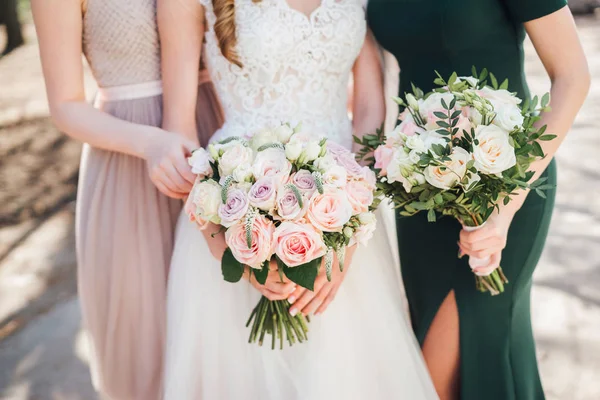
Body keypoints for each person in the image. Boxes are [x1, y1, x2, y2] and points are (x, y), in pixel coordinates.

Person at [158, 0, 438, 399]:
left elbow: (369, 107)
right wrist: (227, 247)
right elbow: (181, 137)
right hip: (234, 205)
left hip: (342, 199)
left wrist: (352, 221)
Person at [366, 1, 590, 399]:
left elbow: (572, 76)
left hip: (505, 183)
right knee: (473, 351)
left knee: (449, 368)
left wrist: (506, 205)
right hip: (421, 195)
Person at [31, 0, 222, 398]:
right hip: (130, 164)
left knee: (225, 330)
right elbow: (66, 106)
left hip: (222, 139)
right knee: (150, 335)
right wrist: (151, 144)